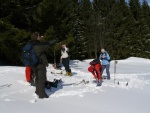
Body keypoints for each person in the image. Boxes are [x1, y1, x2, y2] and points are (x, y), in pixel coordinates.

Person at [31, 32, 56, 99]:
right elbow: (48, 43)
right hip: (40, 64)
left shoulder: (31, 45)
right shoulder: (39, 45)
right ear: (37, 37)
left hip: (33, 64)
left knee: (37, 78)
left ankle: (37, 91)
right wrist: (55, 40)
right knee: (42, 79)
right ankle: (42, 95)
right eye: (39, 36)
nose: (40, 37)